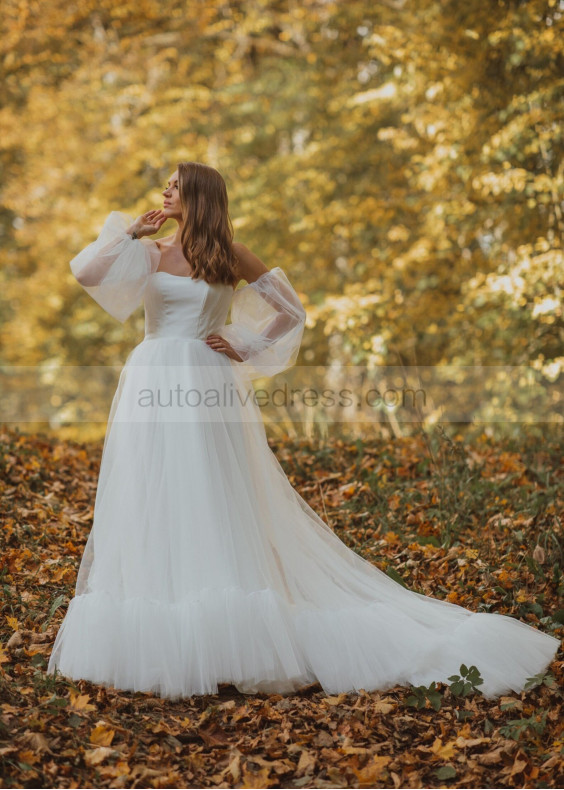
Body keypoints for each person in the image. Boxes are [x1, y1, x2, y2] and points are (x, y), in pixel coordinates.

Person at [47, 161, 559, 700]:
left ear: (200, 196)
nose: (166, 191)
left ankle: (225, 632)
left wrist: (245, 342)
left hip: (204, 381)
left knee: (210, 493)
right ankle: (164, 630)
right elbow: (85, 272)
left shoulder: (230, 254)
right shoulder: (150, 250)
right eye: (167, 185)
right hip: (151, 382)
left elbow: (291, 310)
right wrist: (130, 231)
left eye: (176, 185)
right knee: (151, 494)